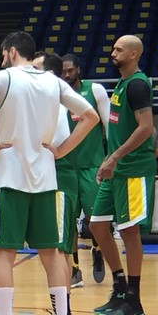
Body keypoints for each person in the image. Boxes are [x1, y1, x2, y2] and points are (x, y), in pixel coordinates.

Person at [0, 31, 99, 315]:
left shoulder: (2, 77)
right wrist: (62, 150)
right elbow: (91, 117)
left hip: (8, 175)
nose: (1, 59)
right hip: (46, 177)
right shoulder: (54, 82)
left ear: (11, 52)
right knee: (51, 255)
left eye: (2, 54)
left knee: (4, 255)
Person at [88, 35, 156, 315]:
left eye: (118, 49)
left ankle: (135, 301)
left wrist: (114, 157)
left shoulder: (138, 84)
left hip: (132, 169)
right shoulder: (121, 83)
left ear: (133, 54)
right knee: (97, 226)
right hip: (115, 170)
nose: (113, 53)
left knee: (129, 233)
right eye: (113, 48)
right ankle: (119, 287)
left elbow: (146, 128)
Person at [27, 51, 87, 315]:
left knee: (59, 254)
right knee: (53, 253)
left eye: (35, 68)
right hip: (51, 183)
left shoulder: (57, 104)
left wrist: (61, 152)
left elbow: (68, 136)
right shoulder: (48, 102)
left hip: (60, 181)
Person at [61, 53, 111, 285]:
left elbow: (109, 125)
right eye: (63, 71)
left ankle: (98, 251)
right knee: (68, 221)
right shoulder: (56, 95)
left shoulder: (96, 90)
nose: (66, 74)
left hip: (93, 164)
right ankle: (74, 269)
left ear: (78, 70)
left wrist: (111, 156)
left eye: (70, 70)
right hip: (66, 166)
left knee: (95, 219)